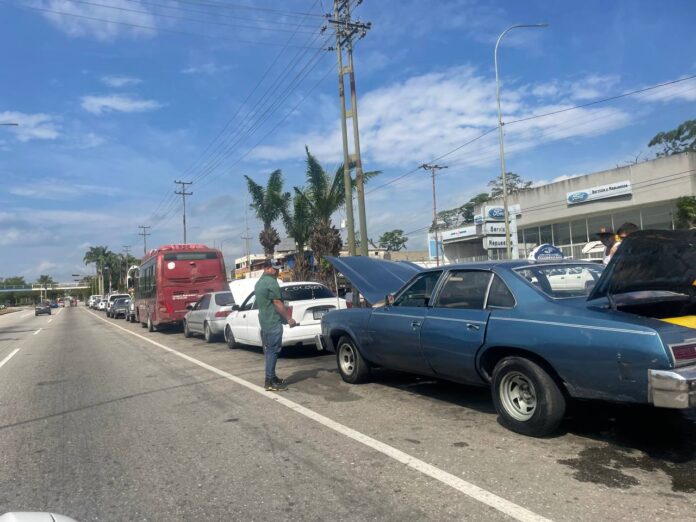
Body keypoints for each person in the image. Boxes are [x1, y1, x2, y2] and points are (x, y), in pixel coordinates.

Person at [255, 259, 297, 391]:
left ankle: (272, 377)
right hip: (273, 322)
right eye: (274, 268)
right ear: (266, 268)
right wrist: (289, 318)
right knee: (273, 351)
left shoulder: (259, 283)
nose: (277, 271)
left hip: (265, 322)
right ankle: (269, 381)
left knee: (269, 350)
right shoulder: (271, 282)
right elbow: (277, 303)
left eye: (278, 268)